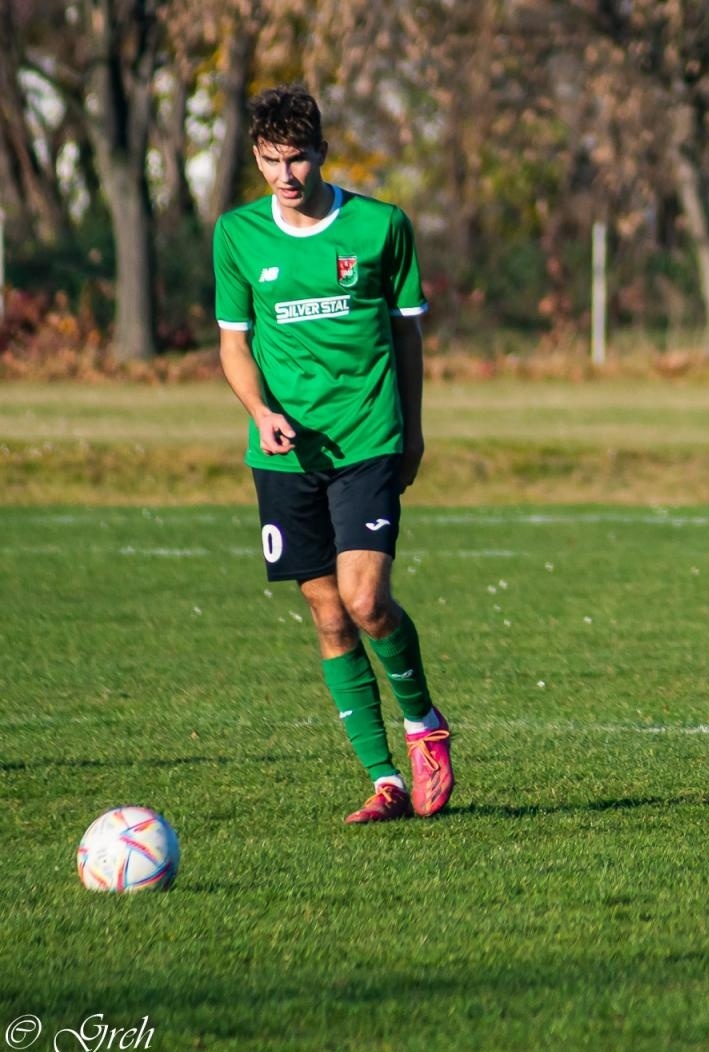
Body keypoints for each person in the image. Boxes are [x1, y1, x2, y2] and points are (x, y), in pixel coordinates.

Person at [213, 85, 452, 825]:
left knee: (366, 600)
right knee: (327, 616)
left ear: (322, 151)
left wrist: (412, 432)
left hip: (367, 437)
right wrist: (261, 412)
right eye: (270, 161)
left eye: (297, 158)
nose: (285, 175)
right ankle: (384, 781)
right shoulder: (236, 235)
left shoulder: (381, 227)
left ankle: (424, 727)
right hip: (283, 454)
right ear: (257, 157)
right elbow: (233, 343)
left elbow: (408, 338)